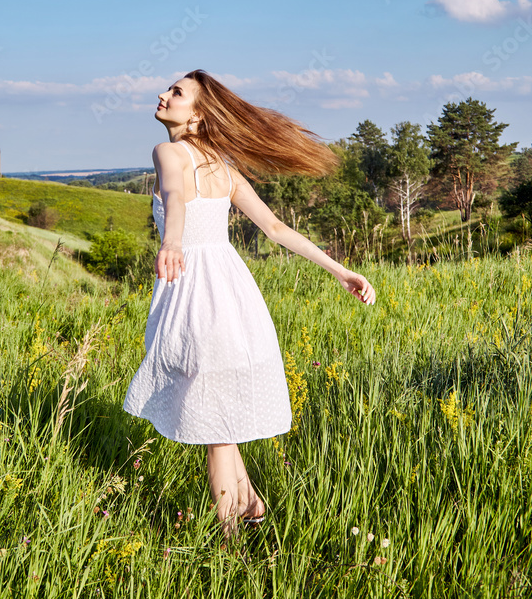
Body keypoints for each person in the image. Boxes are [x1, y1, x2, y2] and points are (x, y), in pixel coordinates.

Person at [122, 69, 375, 538]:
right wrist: (340, 270)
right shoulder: (223, 168)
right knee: (214, 408)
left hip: (197, 295)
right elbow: (276, 230)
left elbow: (174, 197)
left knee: (213, 422)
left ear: (197, 116)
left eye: (176, 92)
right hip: (234, 294)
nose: (163, 94)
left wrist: (172, 241)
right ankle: (252, 505)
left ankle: (230, 547)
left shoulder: (167, 151)